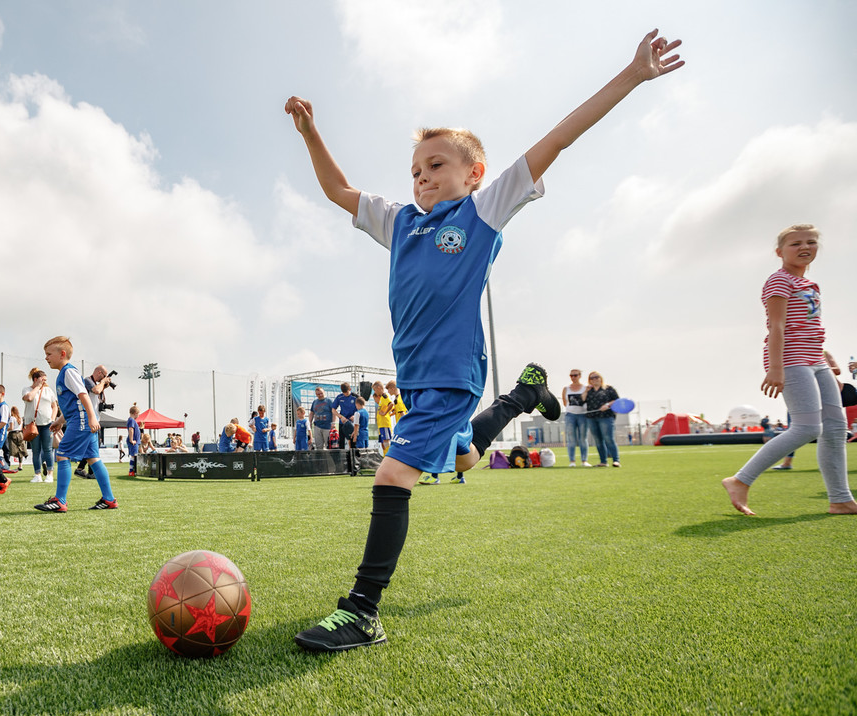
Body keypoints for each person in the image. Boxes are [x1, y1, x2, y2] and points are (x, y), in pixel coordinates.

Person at [285, 29, 683, 652]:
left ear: (474, 175)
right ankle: (524, 397)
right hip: (419, 383)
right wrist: (311, 132)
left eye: (436, 166)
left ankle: (362, 611)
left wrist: (631, 76)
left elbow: (556, 139)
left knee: (392, 478)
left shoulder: (481, 212)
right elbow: (338, 192)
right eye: (415, 170)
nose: (421, 178)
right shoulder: (399, 222)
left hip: (450, 374)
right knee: (466, 457)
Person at [721, 225, 857, 516]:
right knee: (808, 427)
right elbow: (778, 327)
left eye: (811, 242)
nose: (804, 247)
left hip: (816, 361)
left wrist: (827, 356)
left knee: (835, 429)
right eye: (795, 244)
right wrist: (776, 369)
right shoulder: (779, 281)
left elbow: (807, 328)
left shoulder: (811, 285)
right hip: (791, 360)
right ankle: (740, 480)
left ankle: (841, 499)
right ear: (780, 252)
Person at [33, 337, 118, 512]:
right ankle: (109, 499)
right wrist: (60, 420)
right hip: (81, 420)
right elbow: (74, 404)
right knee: (94, 459)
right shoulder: (65, 373)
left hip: (82, 421)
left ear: (62, 354)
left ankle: (60, 501)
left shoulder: (68, 372)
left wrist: (92, 417)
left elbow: (83, 396)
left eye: (49, 354)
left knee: (62, 454)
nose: (46, 358)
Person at [75, 366, 114, 479]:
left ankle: (82, 469)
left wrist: (105, 386)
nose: (104, 378)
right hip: (90, 419)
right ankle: (88, 471)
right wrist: (103, 382)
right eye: (104, 375)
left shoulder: (94, 383)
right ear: (99, 373)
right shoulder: (87, 380)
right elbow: (96, 390)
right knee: (93, 446)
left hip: (95, 418)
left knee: (92, 446)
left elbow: (97, 393)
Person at [22, 368, 58, 483]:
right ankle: (37, 474)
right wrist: (37, 387)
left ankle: (50, 474)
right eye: (42, 379)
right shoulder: (26, 389)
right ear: (35, 379)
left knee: (48, 449)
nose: (45, 382)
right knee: (35, 450)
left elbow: (54, 406)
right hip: (32, 424)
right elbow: (29, 398)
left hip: (47, 423)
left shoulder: (48, 390)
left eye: (45, 380)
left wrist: (52, 419)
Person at [585, 372, 620, 467]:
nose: (594, 379)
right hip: (592, 418)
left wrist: (607, 405)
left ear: (600, 378)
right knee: (598, 440)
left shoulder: (609, 389)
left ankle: (616, 460)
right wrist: (585, 391)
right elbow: (582, 401)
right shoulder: (589, 390)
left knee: (609, 439)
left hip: (606, 417)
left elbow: (617, 400)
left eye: (596, 377)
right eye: (592, 378)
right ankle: (603, 461)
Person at [563, 369, 592, 467]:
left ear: (580, 376)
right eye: (571, 375)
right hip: (570, 415)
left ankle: (584, 461)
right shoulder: (566, 389)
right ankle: (572, 461)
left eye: (575, 375)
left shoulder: (585, 388)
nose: (573, 377)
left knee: (583, 438)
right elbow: (564, 403)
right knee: (571, 438)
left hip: (583, 415)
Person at [332, 383, 358, 449]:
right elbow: (333, 410)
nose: (345, 394)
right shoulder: (339, 397)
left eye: (346, 392)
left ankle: (352, 457)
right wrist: (340, 416)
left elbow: (361, 408)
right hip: (342, 422)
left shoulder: (355, 397)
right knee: (341, 442)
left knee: (352, 442)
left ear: (350, 389)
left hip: (352, 422)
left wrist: (355, 416)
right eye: (343, 392)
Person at [372, 381, 395, 455]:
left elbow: (391, 404)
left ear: (379, 388)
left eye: (375, 390)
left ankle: (388, 456)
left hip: (384, 424)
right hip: (381, 425)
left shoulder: (385, 396)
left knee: (386, 441)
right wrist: (388, 414)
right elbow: (392, 409)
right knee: (383, 442)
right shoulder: (382, 398)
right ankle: (385, 456)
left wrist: (385, 413)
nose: (375, 392)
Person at [6, 406, 26, 472]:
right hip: (20, 434)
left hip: (13, 434)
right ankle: (20, 465)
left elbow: (11, 428)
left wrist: (6, 429)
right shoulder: (20, 418)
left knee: (10, 450)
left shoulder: (12, 418)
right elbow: (21, 428)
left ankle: (6, 465)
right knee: (21, 449)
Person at [126, 404, 141, 476]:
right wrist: (131, 440)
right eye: (138, 414)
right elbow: (131, 429)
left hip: (135, 441)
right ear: (135, 413)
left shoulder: (132, 420)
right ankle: (131, 471)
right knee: (133, 456)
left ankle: (133, 470)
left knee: (135, 456)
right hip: (134, 442)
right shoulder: (131, 420)